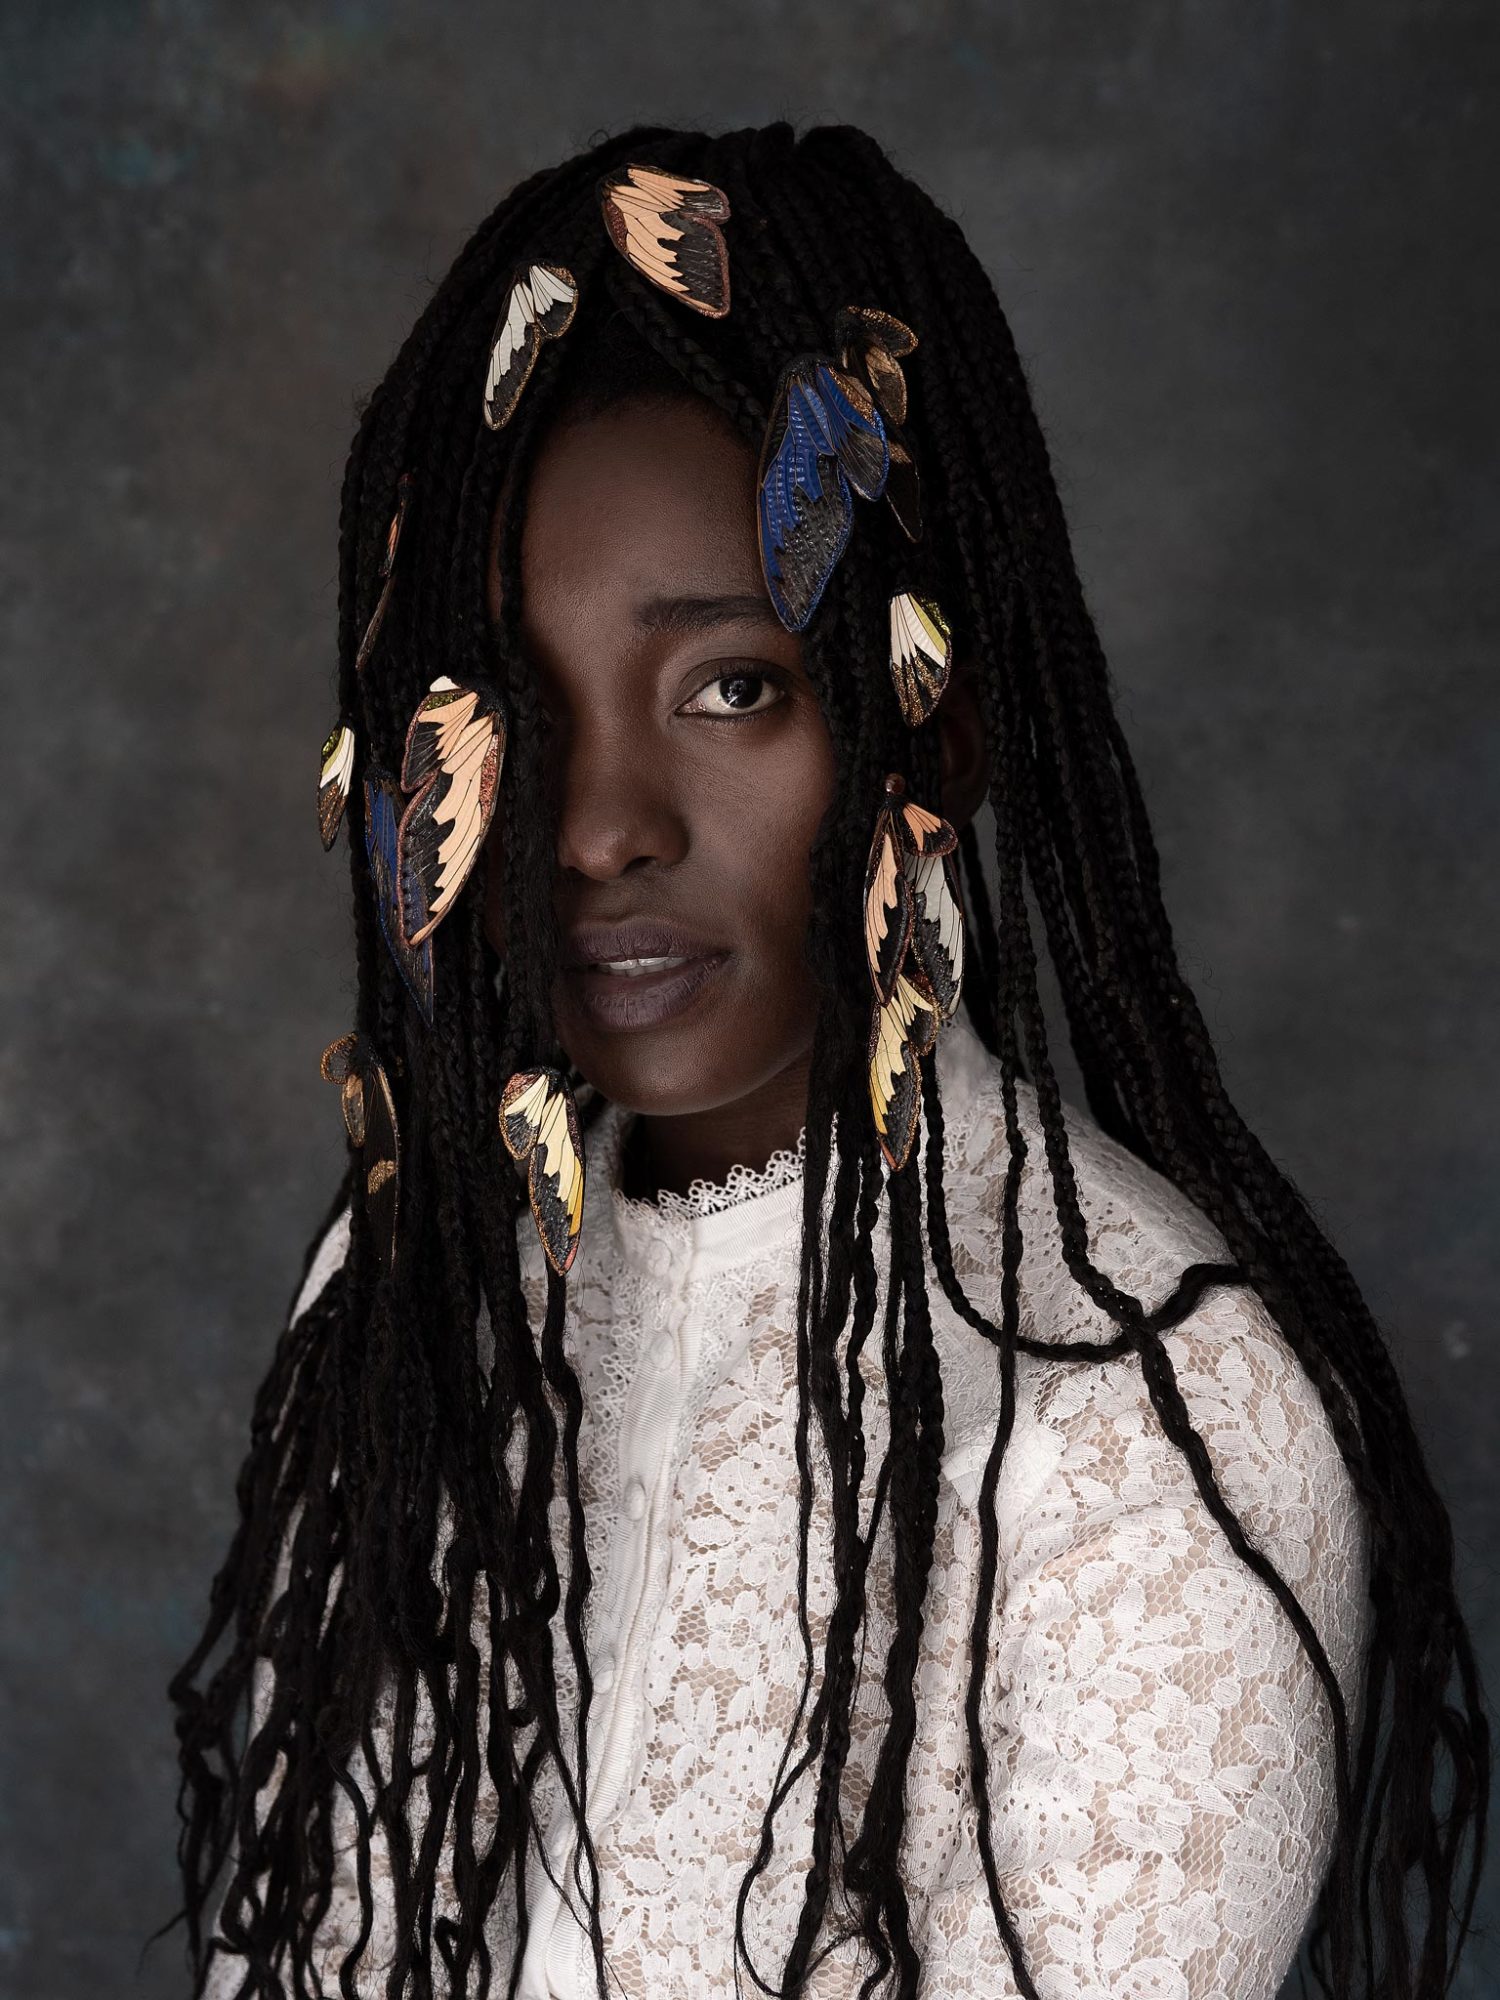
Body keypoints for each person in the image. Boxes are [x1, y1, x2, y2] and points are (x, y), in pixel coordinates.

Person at [163, 123, 1486, 2000]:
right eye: (518, 706)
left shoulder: (1148, 1419)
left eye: (732, 688)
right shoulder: (414, 1294)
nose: (597, 826)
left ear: (932, 729)